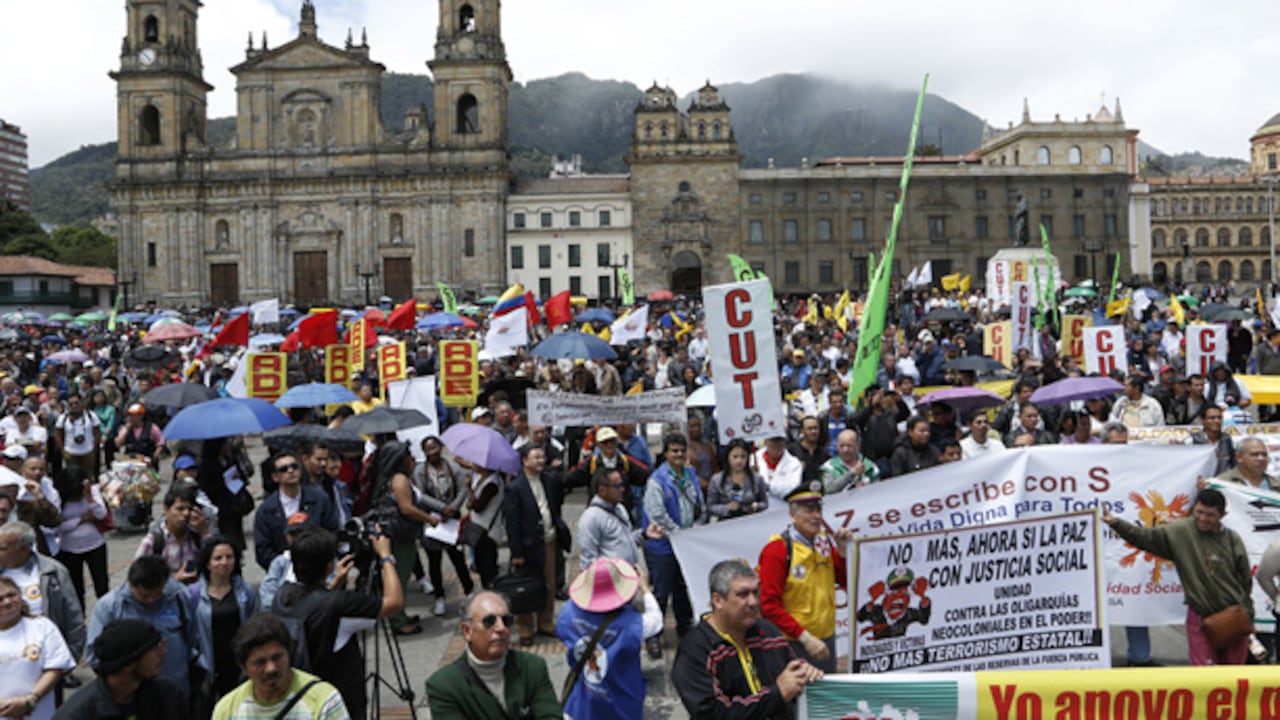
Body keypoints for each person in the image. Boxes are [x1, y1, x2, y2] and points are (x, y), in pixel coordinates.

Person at [1103, 489, 1253, 665]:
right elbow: (1144, 537)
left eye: (1210, 515)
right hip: (1200, 618)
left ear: (1223, 515)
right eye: (1199, 512)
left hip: (1233, 618)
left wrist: (1248, 616)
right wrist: (1116, 524)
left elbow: (1245, 581)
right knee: (1204, 675)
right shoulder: (1180, 532)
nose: (1203, 518)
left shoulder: (1232, 540)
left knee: (1234, 673)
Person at [271, 526, 403, 720]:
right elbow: (394, 603)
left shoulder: (282, 594)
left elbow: (312, 604)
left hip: (301, 697)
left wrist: (334, 584)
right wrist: (386, 557)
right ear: (329, 567)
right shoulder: (339, 604)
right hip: (336, 704)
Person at [672, 559, 822, 720]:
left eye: (755, 593)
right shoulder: (696, 650)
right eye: (742, 594)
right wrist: (777, 694)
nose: (753, 602)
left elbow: (793, 672)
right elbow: (713, 714)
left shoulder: (768, 632)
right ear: (718, 600)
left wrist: (805, 673)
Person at [86, 555, 210, 705]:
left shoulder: (179, 597)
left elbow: (192, 638)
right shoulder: (110, 607)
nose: (151, 600)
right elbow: (94, 656)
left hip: (176, 690)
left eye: (156, 594)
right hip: (131, 698)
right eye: (144, 596)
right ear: (130, 583)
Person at [757, 482, 852, 672]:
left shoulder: (823, 542)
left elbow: (844, 581)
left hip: (825, 638)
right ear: (793, 515)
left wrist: (842, 551)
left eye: (818, 509)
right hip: (793, 642)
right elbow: (768, 605)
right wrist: (805, 637)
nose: (816, 516)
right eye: (809, 510)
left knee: (826, 689)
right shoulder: (777, 550)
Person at [425, 590, 562, 720]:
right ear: (467, 631)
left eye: (506, 620)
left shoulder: (532, 667)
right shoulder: (444, 686)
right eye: (489, 621)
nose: (501, 628)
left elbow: (551, 715)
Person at [557, 558, 662, 720]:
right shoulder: (630, 624)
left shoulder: (568, 612)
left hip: (582, 704)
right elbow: (656, 621)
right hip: (621, 706)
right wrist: (645, 589)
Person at [211, 613, 348, 720]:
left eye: (277, 658)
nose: (271, 668)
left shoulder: (324, 700)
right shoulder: (226, 710)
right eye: (260, 662)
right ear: (244, 667)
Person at [641, 433, 705, 659]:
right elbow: (656, 514)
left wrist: (695, 528)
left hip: (685, 545)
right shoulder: (657, 481)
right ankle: (653, 636)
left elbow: (700, 505)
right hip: (663, 547)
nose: (679, 454)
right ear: (666, 453)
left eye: (682, 450)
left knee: (682, 589)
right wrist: (678, 534)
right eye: (674, 451)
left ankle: (684, 629)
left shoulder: (691, 476)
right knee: (661, 591)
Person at [52, 619, 183, 720]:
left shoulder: (165, 694)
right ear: (128, 664)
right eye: (154, 650)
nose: (163, 652)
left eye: (161, 645)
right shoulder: (77, 714)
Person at [504, 444, 569, 646]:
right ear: (525, 461)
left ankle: (546, 622)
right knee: (526, 587)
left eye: (542, 457)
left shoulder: (549, 480)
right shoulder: (515, 487)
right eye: (536, 457)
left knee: (549, 585)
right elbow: (512, 523)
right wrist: (517, 552)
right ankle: (525, 628)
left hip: (549, 540)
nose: (541, 461)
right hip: (527, 545)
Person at [368, 441, 435, 635]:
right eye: (408, 455)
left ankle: (401, 614)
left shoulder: (388, 478)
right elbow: (406, 508)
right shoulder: (399, 479)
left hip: (394, 535)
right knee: (400, 576)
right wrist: (429, 519)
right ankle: (398, 621)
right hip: (400, 536)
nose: (412, 458)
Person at [0, 521, 86, 664]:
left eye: (3, 548)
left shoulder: (53, 571)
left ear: (23, 548)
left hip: (46, 654)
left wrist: (70, 657)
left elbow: (73, 615)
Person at [191, 535, 259, 699]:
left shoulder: (246, 592)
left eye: (229, 557)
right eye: (218, 558)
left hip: (239, 663)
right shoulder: (193, 595)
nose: (224, 562)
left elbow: (254, 624)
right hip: (209, 664)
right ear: (207, 563)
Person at [0, 575, 73, 720]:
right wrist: (5, 708)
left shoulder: (42, 626)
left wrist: (30, 700)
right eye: (0, 599)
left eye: (11, 595)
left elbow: (55, 668)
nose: (7, 602)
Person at [415, 436, 474, 617]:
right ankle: (439, 598)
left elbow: (462, 490)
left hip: (452, 521)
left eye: (435, 448)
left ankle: (469, 593)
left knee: (458, 559)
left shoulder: (453, 468)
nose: (432, 452)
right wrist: (441, 508)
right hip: (432, 521)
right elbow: (421, 495)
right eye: (428, 449)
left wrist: (452, 508)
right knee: (434, 562)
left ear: (441, 448)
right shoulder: (420, 471)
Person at [253, 452, 338, 571]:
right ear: (275, 477)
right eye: (284, 469)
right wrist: (285, 566)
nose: (291, 471)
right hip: (283, 572)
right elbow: (262, 550)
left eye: (294, 466)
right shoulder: (266, 510)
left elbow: (333, 532)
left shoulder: (320, 499)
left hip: (318, 568)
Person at [53, 464, 110, 613]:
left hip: (95, 544)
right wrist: (82, 519)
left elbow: (101, 514)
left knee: (102, 584)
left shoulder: (92, 491)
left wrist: (89, 497)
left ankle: (106, 615)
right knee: (76, 588)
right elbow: (57, 527)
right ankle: (80, 618)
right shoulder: (57, 498)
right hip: (69, 549)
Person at [578, 467, 657, 568]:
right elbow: (587, 561)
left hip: (628, 573)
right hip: (610, 576)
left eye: (622, 485)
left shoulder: (620, 508)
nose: (622, 489)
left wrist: (644, 534)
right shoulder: (591, 517)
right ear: (602, 490)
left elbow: (625, 541)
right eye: (617, 486)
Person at [135, 481, 206, 583]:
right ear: (166, 509)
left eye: (189, 509)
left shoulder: (196, 538)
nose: (186, 513)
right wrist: (174, 581)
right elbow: (136, 580)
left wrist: (204, 532)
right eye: (180, 509)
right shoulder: (153, 542)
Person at [462, 460, 505, 590]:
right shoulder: (482, 479)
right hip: (480, 529)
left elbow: (478, 506)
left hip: (488, 531)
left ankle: (491, 593)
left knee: (488, 568)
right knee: (481, 565)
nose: (473, 464)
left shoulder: (492, 484)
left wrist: (469, 489)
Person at [707, 439, 770, 519]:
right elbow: (710, 507)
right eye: (735, 457)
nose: (739, 461)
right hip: (727, 522)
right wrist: (727, 508)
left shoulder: (757, 478)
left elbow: (765, 503)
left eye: (743, 457)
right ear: (728, 457)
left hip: (752, 519)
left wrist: (756, 506)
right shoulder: (716, 480)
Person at [56, 393, 100, 476]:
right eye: (71, 404)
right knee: (72, 477)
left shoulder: (91, 415)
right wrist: (64, 452)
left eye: (76, 403)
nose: (74, 406)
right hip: (70, 453)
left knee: (88, 476)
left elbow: (97, 433)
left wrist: (93, 449)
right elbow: (58, 436)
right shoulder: (63, 418)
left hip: (87, 452)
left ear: (82, 402)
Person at [114, 404, 162, 469]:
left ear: (141, 416)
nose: (130, 417)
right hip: (131, 463)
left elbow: (160, 443)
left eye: (133, 415)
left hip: (147, 462)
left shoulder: (152, 427)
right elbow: (118, 444)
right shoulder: (125, 428)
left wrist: (155, 456)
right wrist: (127, 429)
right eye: (129, 415)